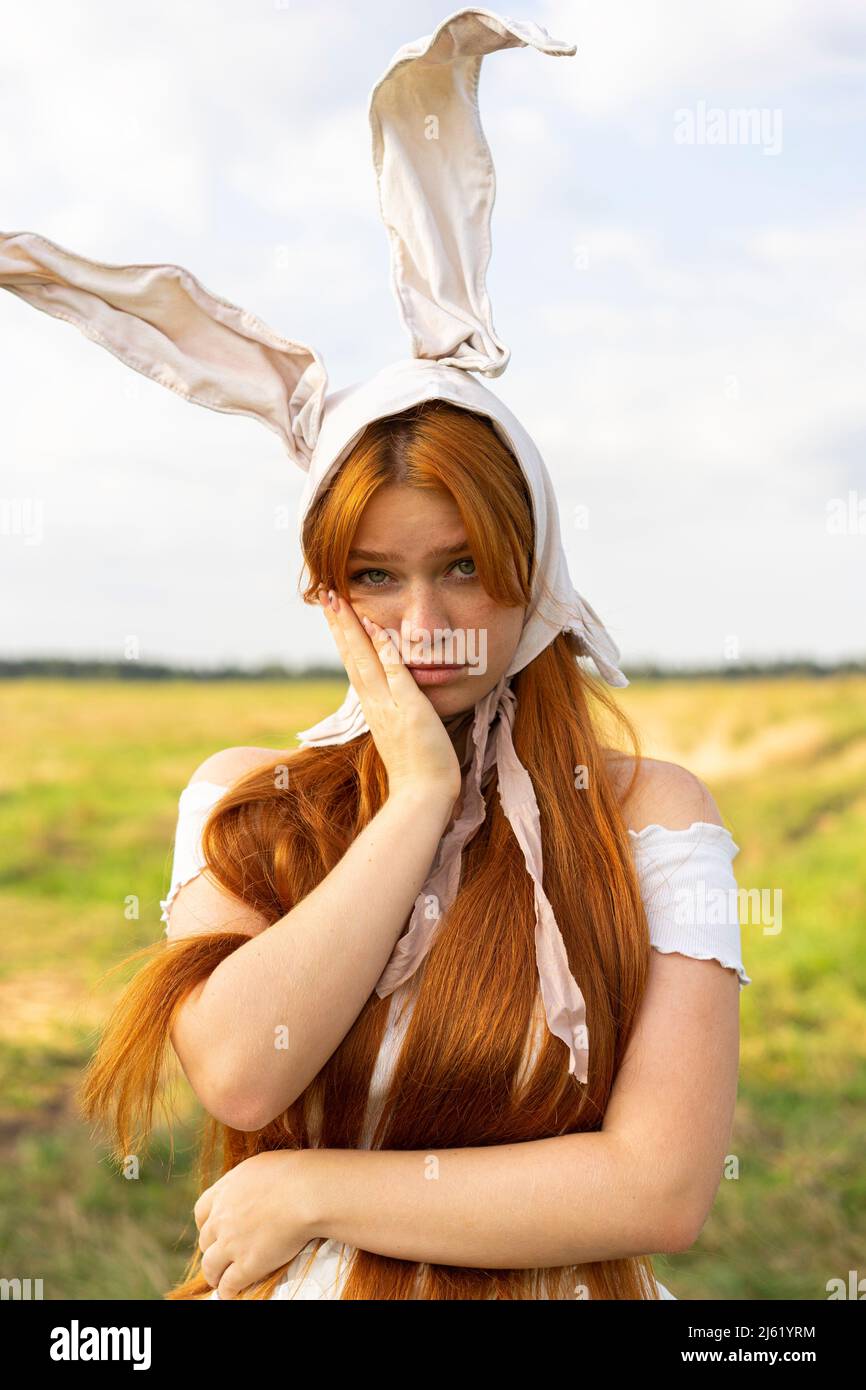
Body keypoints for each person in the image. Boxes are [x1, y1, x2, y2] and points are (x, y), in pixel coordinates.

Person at [3, 8, 751, 1300]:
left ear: (540, 569)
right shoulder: (246, 802)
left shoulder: (651, 816)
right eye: (376, 578)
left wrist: (311, 1189)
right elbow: (241, 1066)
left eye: (465, 563)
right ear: (323, 590)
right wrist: (413, 799)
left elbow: (659, 1186)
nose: (426, 622)